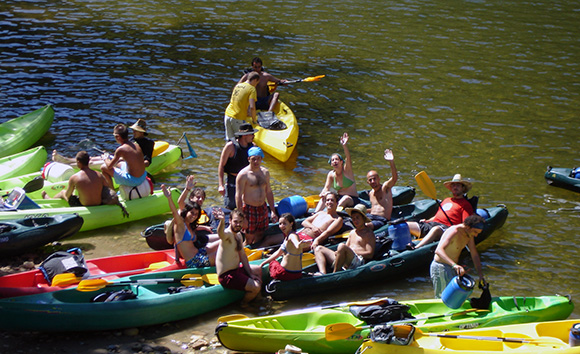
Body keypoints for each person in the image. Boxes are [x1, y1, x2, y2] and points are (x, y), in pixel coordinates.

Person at [408, 174, 475, 249]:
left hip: (447, 230)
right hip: (431, 225)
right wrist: (427, 221)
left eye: (458, 185)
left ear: (463, 188)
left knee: (436, 229)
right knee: (407, 225)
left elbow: (465, 224)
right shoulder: (446, 200)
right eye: (453, 185)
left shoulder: (465, 205)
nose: (455, 187)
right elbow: (437, 216)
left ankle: (416, 248)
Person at [161, 184, 218, 268]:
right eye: (191, 213)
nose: (194, 216)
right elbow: (174, 211)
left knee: (225, 241)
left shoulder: (190, 225)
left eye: (196, 214)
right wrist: (169, 198)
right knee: (226, 252)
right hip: (195, 261)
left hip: (200, 252)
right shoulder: (180, 224)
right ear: (186, 212)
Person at [430, 214, 486, 298]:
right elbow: (439, 250)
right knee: (442, 297)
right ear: (468, 227)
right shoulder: (454, 231)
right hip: (441, 267)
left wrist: (480, 275)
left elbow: (474, 254)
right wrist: (454, 265)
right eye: (475, 232)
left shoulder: (469, 235)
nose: (476, 235)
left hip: (453, 268)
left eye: (478, 233)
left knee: (454, 296)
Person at [215, 208, 262, 307]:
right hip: (227, 276)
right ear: (230, 221)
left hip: (236, 270)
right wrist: (221, 221)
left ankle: (258, 298)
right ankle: (244, 304)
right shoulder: (227, 235)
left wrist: (250, 273)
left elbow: (243, 256)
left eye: (240, 222)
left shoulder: (239, 235)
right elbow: (221, 234)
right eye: (235, 221)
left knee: (257, 269)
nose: (238, 224)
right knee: (256, 287)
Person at [314, 204, 375, 274]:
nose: (355, 221)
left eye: (357, 218)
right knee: (319, 249)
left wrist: (353, 252)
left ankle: (335, 273)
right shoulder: (352, 232)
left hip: (357, 261)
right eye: (353, 218)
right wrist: (338, 252)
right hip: (345, 259)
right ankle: (322, 273)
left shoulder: (368, 233)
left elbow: (370, 254)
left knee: (341, 246)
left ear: (363, 219)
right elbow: (346, 247)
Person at [235, 146, 278, 246]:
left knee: (260, 235)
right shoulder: (243, 175)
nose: (256, 161)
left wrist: (273, 211)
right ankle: (244, 253)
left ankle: (256, 253)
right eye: (253, 159)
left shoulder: (265, 173)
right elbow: (238, 196)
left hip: (262, 207)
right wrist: (241, 216)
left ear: (261, 159)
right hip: (249, 209)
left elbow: (268, 192)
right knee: (249, 238)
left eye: (258, 158)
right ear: (248, 159)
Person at [315, 132, 359, 212]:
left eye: (336, 159)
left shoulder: (346, 170)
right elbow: (326, 187)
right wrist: (323, 193)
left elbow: (348, 158)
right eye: (332, 160)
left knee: (345, 198)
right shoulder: (331, 174)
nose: (335, 161)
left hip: (352, 199)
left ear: (341, 162)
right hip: (339, 197)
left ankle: (334, 214)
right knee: (326, 197)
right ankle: (315, 213)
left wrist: (344, 145)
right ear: (331, 164)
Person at [260, 213, 311, 281]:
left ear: (291, 224)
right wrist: (263, 263)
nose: (282, 226)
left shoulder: (292, 236)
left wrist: (299, 245)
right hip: (297, 274)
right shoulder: (287, 237)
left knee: (273, 263)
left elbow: (296, 243)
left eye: (284, 223)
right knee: (276, 258)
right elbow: (278, 253)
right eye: (280, 224)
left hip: (285, 274)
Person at [218, 123, 257, 210]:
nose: (254, 136)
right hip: (232, 180)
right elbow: (221, 166)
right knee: (230, 206)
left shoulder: (253, 146)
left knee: (247, 206)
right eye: (252, 134)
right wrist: (221, 185)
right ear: (244, 135)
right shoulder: (230, 146)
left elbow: (257, 166)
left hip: (247, 180)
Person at [100, 124, 147, 190]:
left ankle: (112, 193)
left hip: (134, 180)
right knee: (119, 163)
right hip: (143, 176)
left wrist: (105, 158)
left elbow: (109, 166)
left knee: (103, 167)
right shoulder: (136, 144)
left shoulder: (121, 149)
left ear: (118, 137)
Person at [365, 148, 398, 230]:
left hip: (381, 220)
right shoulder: (371, 193)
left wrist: (391, 162)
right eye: (370, 180)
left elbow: (394, 178)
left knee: (365, 226)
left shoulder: (385, 188)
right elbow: (375, 208)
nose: (373, 181)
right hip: (371, 217)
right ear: (368, 182)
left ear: (379, 179)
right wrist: (362, 211)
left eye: (374, 179)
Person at [224, 71, 260, 141]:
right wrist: (254, 121)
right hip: (237, 117)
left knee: (230, 140)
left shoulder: (238, 85)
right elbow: (252, 107)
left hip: (227, 114)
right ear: (255, 80)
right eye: (257, 83)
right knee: (240, 140)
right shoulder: (251, 89)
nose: (256, 85)